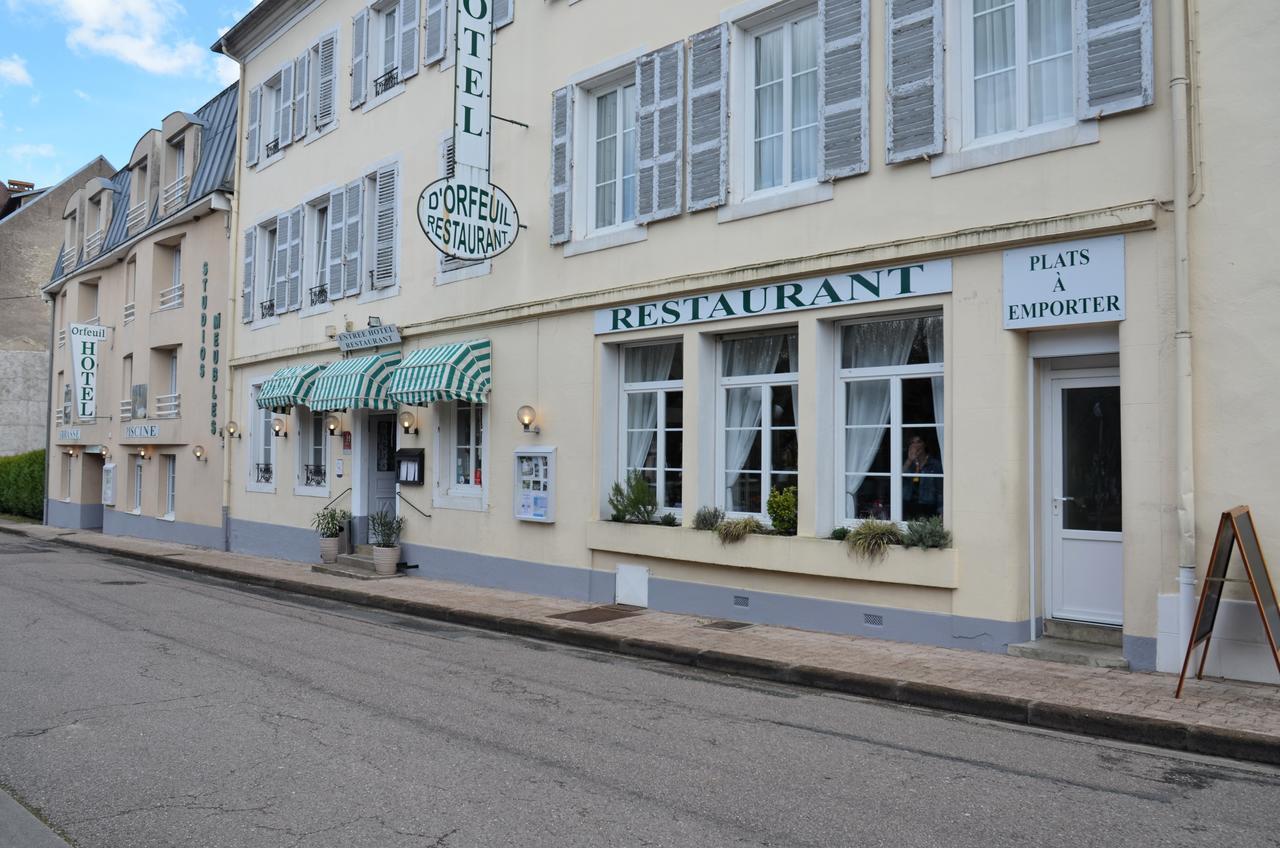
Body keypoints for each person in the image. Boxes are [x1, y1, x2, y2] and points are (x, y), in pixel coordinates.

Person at [902, 435, 942, 519]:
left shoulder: (934, 464)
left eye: (919, 442)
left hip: (928, 507)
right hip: (908, 506)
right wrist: (909, 460)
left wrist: (941, 510)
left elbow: (940, 490)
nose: (915, 445)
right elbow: (898, 480)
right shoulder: (908, 463)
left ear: (924, 444)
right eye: (912, 442)